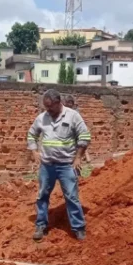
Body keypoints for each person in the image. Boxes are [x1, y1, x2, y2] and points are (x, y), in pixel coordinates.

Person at [27, 89, 91, 242]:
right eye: (46, 107)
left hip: (66, 166)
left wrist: (78, 158)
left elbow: (85, 136)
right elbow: (31, 134)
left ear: (58, 102)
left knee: (72, 196)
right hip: (47, 166)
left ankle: (78, 228)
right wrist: (34, 152)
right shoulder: (42, 118)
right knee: (42, 196)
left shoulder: (73, 115)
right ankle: (41, 225)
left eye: (50, 107)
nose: (48, 110)